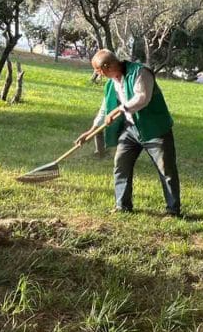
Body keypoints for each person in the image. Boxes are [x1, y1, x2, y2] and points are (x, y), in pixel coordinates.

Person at [75, 49, 182, 217]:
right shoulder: (112, 83)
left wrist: (120, 109)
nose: (98, 74)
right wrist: (92, 129)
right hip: (131, 130)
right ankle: (122, 206)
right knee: (121, 164)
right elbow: (105, 108)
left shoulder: (140, 72)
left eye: (98, 70)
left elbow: (142, 98)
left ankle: (173, 210)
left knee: (166, 170)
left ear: (106, 66)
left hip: (155, 129)